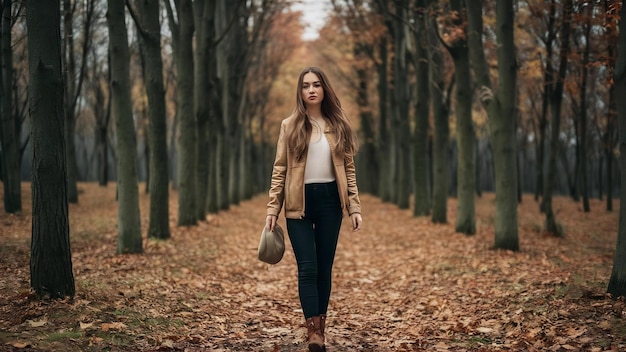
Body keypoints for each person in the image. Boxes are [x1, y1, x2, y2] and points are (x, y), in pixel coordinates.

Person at [266, 66, 363, 352]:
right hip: (298, 203)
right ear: (300, 91)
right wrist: (273, 209)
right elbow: (279, 169)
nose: (311, 90)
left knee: (324, 268)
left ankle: (321, 325)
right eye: (306, 85)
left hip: (331, 201)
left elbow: (348, 168)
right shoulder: (290, 125)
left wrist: (354, 206)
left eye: (316, 85)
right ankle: (313, 333)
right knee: (307, 268)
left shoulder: (338, 124)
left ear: (324, 89)